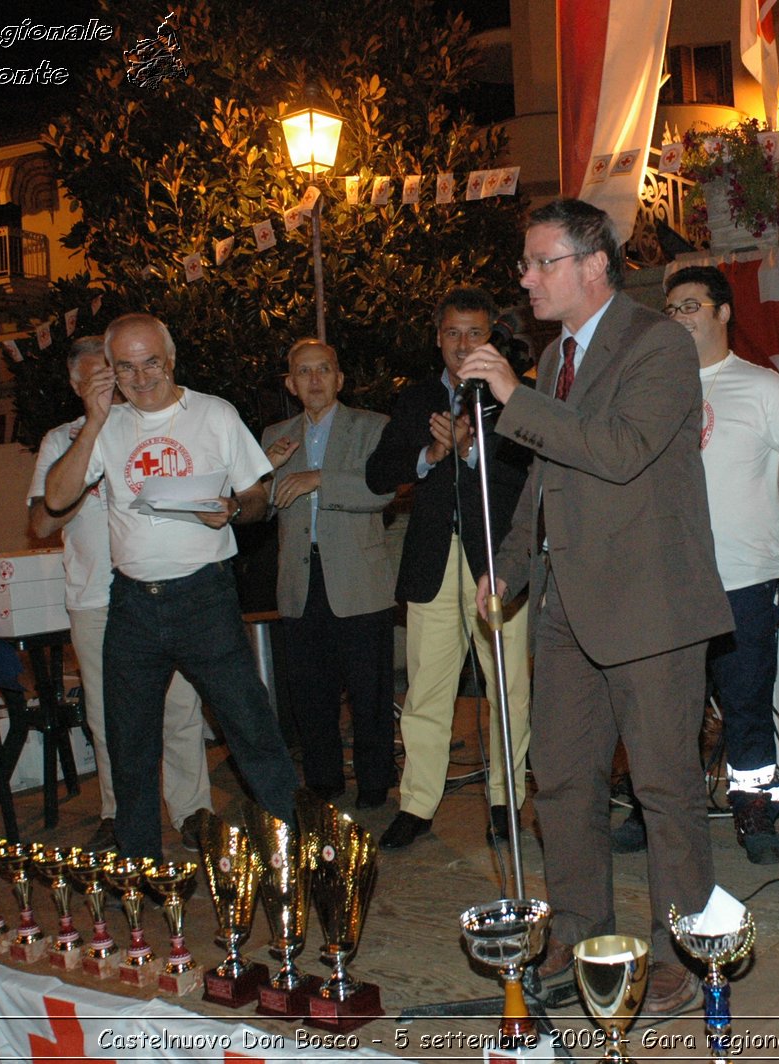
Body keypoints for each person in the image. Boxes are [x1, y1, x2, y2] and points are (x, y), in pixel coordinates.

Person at [459, 198, 732, 1016]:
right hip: (564, 604)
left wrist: (514, 393)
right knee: (566, 781)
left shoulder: (658, 345)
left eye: (543, 262)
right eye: (526, 263)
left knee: (664, 789)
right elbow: (542, 482)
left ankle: (684, 956)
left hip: (649, 605)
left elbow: (617, 453)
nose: (526, 277)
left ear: (594, 265)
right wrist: (506, 567)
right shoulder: (555, 360)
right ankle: (586, 939)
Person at [42, 313, 300, 859]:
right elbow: (56, 500)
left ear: (172, 358)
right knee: (128, 744)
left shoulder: (214, 414)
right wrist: (92, 421)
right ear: (110, 371)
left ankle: (288, 846)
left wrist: (232, 509)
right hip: (132, 604)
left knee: (248, 724)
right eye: (126, 367)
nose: (141, 378)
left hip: (203, 597)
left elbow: (259, 495)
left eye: (151, 362)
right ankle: (141, 870)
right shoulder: (105, 427)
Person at [615, 266, 779, 865]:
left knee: (746, 705)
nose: (680, 317)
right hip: (663, 582)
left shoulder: (761, 387)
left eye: (692, 305)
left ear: (724, 313)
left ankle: (756, 815)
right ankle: (653, 816)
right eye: (671, 308)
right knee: (660, 711)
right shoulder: (648, 387)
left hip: (741, 580)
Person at [26, 337, 212, 853]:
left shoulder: (150, 427)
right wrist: (86, 471)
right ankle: (118, 810)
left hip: (158, 590)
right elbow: (40, 522)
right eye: (95, 378)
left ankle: (192, 808)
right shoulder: (60, 440)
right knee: (108, 716)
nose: (109, 386)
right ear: (75, 384)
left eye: (113, 373)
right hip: (95, 599)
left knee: (180, 704)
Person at [365, 288, 533, 849]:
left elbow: (531, 478)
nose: (464, 345)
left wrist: (469, 451)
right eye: (453, 334)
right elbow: (378, 472)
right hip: (433, 565)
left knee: (506, 689)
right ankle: (417, 805)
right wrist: (431, 457)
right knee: (426, 691)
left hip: (498, 565)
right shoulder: (415, 400)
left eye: (476, 334)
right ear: (438, 339)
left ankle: (506, 801)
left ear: (493, 338)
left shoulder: (516, 397)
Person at [262, 338, 398, 809]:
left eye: (324, 370)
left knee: (370, 691)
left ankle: (376, 782)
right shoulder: (274, 437)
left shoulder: (374, 427)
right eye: (304, 372)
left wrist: (318, 479)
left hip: (359, 578)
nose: (315, 379)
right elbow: (255, 506)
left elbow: (383, 491)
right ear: (291, 383)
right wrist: (267, 470)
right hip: (300, 581)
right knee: (310, 692)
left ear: (340, 379)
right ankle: (323, 781)